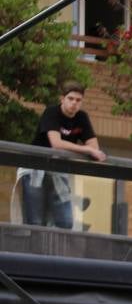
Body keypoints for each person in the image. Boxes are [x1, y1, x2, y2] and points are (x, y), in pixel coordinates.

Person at [18, 82, 105, 229]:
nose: (74, 103)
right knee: (35, 222)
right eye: (70, 99)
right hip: (34, 169)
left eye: (78, 100)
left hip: (58, 171)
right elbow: (56, 144)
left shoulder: (82, 117)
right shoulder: (51, 112)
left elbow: (95, 147)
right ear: (62, 99)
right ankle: (35, 252)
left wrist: (90, 149)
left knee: (65, 222)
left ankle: (54, 251)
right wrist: (87, 150)